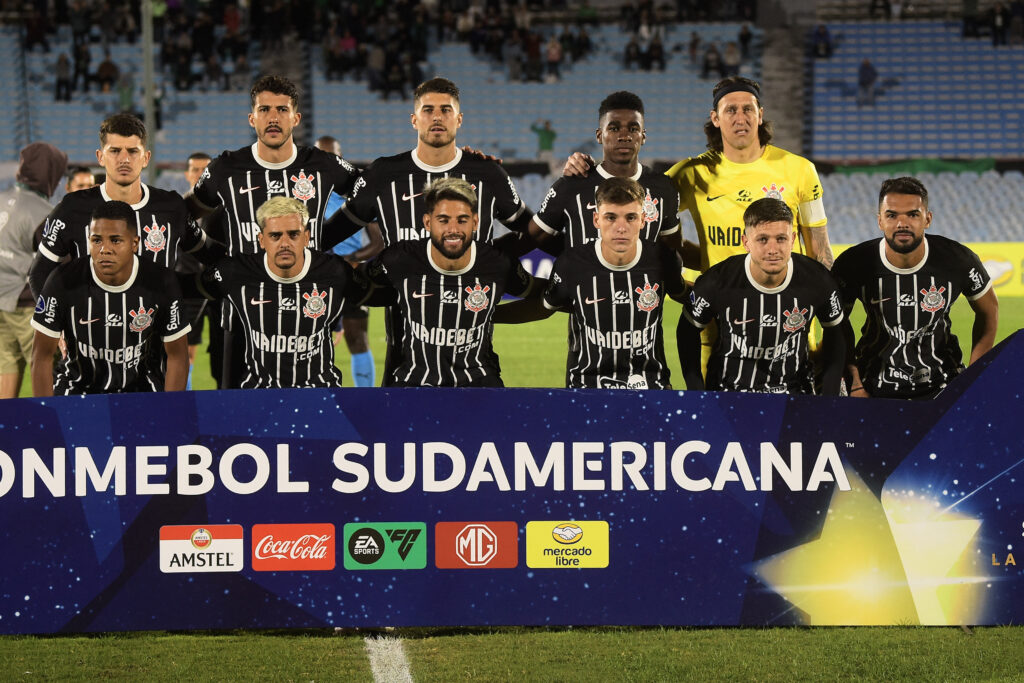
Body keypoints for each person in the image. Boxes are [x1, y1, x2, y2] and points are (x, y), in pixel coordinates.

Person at [330, 77, 533, 384]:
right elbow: (328, 234)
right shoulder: (384, 175)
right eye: (428, 110)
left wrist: (496, 257)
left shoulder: (487, 173)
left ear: (459, 119)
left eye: (445, 110)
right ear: (414, 119)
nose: (437, 116)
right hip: (402, 345)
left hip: (475, 347)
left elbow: (533, 230)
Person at [185, 75, 360, 388]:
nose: (274, 117)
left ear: (296, 117)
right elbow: (185, 215)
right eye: (265, 109)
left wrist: (324, 236)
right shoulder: (226, 168)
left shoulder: (323, 165)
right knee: (236, 422)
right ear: (252, 118)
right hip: (241, 319)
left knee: (312, 418)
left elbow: (372, 197)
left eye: (282, 109)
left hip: (310, 314)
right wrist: (215, 257)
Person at [832, 177, 999, 399]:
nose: (902, 223)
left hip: (943, 385)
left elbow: (989, 310)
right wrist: (854, 383)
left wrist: (974, 378)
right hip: (872, 386)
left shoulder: (958, 259)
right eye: (892, 215)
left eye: (913, 214)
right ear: (880, 220)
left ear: (927, 219)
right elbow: (835, 326)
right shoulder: (853, 263)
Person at [364, 178, 539, 387]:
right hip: (414, 383)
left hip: (480, 383)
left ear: (475, 222)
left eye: (462, 220)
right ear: (428, 222)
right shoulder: (399, 258)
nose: (453, 229)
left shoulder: (498, 263)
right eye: (444, 220)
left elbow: (542, 295)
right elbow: (356, 286)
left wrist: (491, 315)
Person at [192, 197, 371, 389]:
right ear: (261, 240)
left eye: (293, 235)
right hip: (260, 397)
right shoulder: (237, 272)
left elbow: (386, 292)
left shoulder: (335, 272)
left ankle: (366, 396)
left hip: (320, 397)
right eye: (275, 236)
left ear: (306, 237)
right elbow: (186, 285)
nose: (284, 243)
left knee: (358, 339)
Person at [30, 113, 209, 300]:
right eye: (115, 151)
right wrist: (55, 322)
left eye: (132, 151)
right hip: (93, 328)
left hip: (157, 329)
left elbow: (209, 253)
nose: (124, 159)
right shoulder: (72, 207)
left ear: (146, 158)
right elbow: (39, 274)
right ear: (100, 157)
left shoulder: (171, 207)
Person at [679, 198, 845, 395]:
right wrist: (697, 391)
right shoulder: (718, 280)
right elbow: (686, 330)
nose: (773, 249)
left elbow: (837, 333)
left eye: (781, 239)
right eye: (762, 239)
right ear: (746, 242)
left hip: (794, 395)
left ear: (792, 240)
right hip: (729, 395)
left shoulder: (817, 280)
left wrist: (829, 394)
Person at [535, 176, 686, 389]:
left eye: (631, 217)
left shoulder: (664, 260)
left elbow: (688, 297)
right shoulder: (572, 263)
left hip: (652, 387)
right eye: (611, 217)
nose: (621, 228)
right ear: (596, 220)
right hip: (587, 387)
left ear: (643, 219)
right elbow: (545, 305)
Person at [31, 201, 190, 396]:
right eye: (97, 240)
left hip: (141, 390)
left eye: (115, 240)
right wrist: (47, 412)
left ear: (135, 243)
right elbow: (41, 356)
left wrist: (171, 408)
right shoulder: (62, 281)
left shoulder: (162, 282)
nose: (105, 249)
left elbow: (178, 355)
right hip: (76, 388)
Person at [529, 91, 681, 258]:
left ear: (643, 136)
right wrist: (573, 256)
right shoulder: (572, 184)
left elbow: (671, 250)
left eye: (633, 128)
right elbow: (533, 238)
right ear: (599, 135)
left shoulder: (663, 187)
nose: (624, 136)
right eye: (614, 128)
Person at [0, 143, 68, 399]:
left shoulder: (1, 198)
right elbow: (59, 264)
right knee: (44, 363)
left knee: (6, 363)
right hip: (27, 301)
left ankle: (4, 429)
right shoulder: (43, 213)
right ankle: (51, 429)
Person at [315, 135, 382, 388]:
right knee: (310, 340)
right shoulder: (304, 192)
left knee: (356, 338)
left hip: (352, 274)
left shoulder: (357, 192)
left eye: (333, 155)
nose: (328, 161)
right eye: (322, 155)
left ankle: (366, 401)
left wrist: (350, 260)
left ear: (341, 158)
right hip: (315, 275)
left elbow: (378, 242)